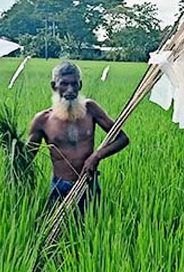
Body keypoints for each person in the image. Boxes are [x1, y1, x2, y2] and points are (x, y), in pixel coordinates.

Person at [27, 62, 129, 214]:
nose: (70, 90)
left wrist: (96, 156)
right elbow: (27, 156)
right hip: (60, 187)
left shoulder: (91, 109)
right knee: (58, 233)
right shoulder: (43, 120)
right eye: (64, 84)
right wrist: (12, 146)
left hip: (88, 184)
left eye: (74, 84)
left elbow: (122, 138)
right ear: (54, 86)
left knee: (92, 231)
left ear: (80, 85)